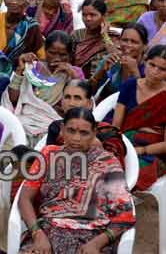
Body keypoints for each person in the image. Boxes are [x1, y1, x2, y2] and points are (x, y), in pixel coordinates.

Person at [18, 108, 134, 254]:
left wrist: (97, 244)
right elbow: (24, 198)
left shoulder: (108, 162)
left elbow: (125, 213)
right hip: (48, 232)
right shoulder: (48, 154)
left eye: (84, 133)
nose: (76, 138)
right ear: (62, 130)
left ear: (94, 133)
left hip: (92, 236)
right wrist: (37, 234)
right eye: (71, 131)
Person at [113, 45, 166, 190]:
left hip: (153, 153)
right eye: (152, 65)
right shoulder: (129, 86)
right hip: (125, 143)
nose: (154, 71)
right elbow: (116, 125)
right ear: (144, 62)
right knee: (104, 166)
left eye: (162, 69)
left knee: (130, 176)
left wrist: (141, 150)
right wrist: (122, 146)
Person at [44, 79, 125, 164]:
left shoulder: (108, 132)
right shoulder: (56, 127)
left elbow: (115, 169)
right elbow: (48, 162)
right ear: (62, 102)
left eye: (77, 98)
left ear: (89, 103)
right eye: (67, 97)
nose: (71, 103)